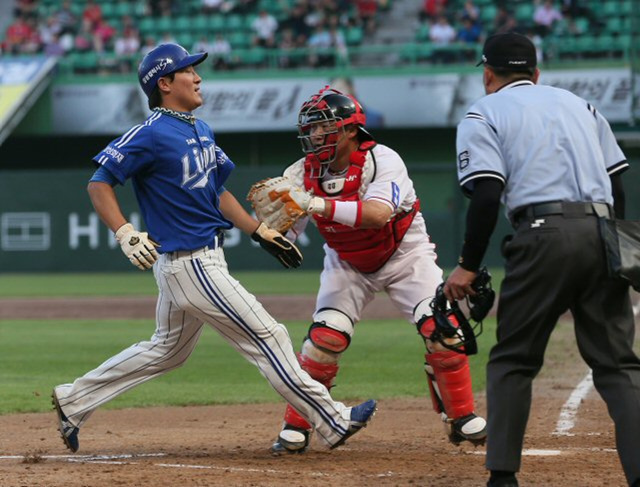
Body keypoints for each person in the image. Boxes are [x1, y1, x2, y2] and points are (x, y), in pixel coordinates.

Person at [51, 43, 377, 454]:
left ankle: (73, 400)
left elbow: (216, 190)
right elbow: (99, 182)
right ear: (165, 83)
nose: (198, 76)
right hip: (190, 263)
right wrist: (125, 232)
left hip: (196, 262)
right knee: (269, 337)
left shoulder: (199, 128)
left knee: (166, 351)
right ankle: (331, 420)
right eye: (189, 70)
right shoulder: (149, 134)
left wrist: (259, 231)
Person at [443, 32, 640, 487]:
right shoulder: (580, 105)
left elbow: (487, 193)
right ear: (535, 73)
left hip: (542, 234)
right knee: (618, 366)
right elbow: (619, 184)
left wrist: (469, 264)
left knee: (514, 359)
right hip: (604, 231)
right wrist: (617, 247)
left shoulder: (482, 111)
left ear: (488, 75)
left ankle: (503, 479)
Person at [262, 87, 487, 454]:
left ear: (351, 130)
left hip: (404, 255)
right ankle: (297, 425)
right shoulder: (300, 172)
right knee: (324, 341)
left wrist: (315, 203)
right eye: (312, 128)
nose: (315, 135)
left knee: (442, 331)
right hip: (346, 261)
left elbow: (378, 214)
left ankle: (460, 416)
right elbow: (288, 231)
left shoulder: (382, 159)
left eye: (324, 127)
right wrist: (271, 233)